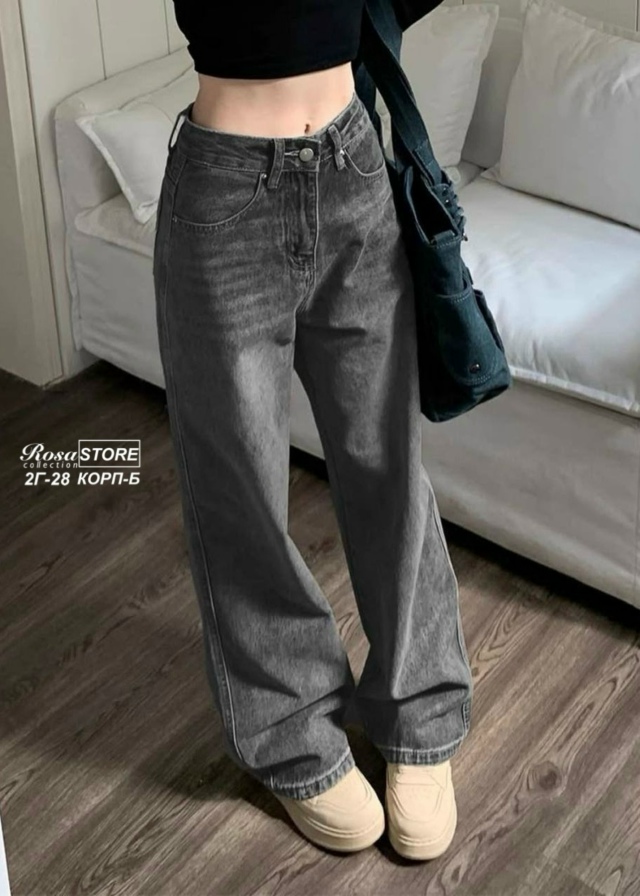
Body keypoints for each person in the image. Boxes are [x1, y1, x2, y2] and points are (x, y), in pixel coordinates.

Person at [152, 0, 473, 861]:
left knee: (387, 465)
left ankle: (421, 717)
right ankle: (291, 732)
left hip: (351, 164)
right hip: (224, 188)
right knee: (240, 493)